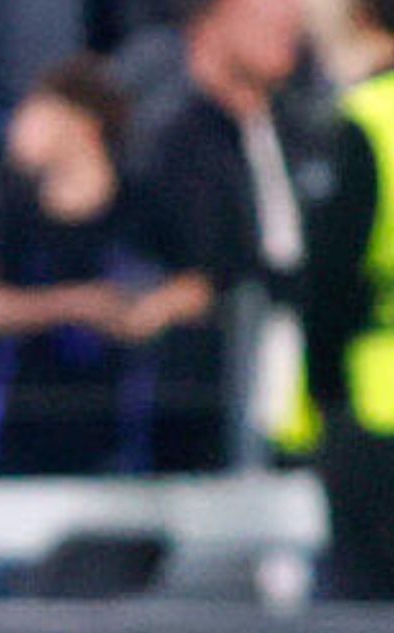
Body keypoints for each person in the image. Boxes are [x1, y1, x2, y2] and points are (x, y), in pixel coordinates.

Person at [0, 57, 189, 475]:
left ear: (84, 124)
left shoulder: (142, 206)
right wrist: (79, 304)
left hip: (125, 424)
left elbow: (197, 284)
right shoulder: (14, 213)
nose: (21, 127)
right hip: (25, 428)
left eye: (40, 114)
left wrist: (152, 312)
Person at [131, 0, 314, 472]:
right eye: (264, 11)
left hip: (304, 387)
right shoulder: (163, 138)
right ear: (208, 24)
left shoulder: (304, 128)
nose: (289, 20)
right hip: (199, 402)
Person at [304, 0, 394, 598]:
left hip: (375, 402)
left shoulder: (364, 118)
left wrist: (324, 395)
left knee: (368, 616)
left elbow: (330, 278)